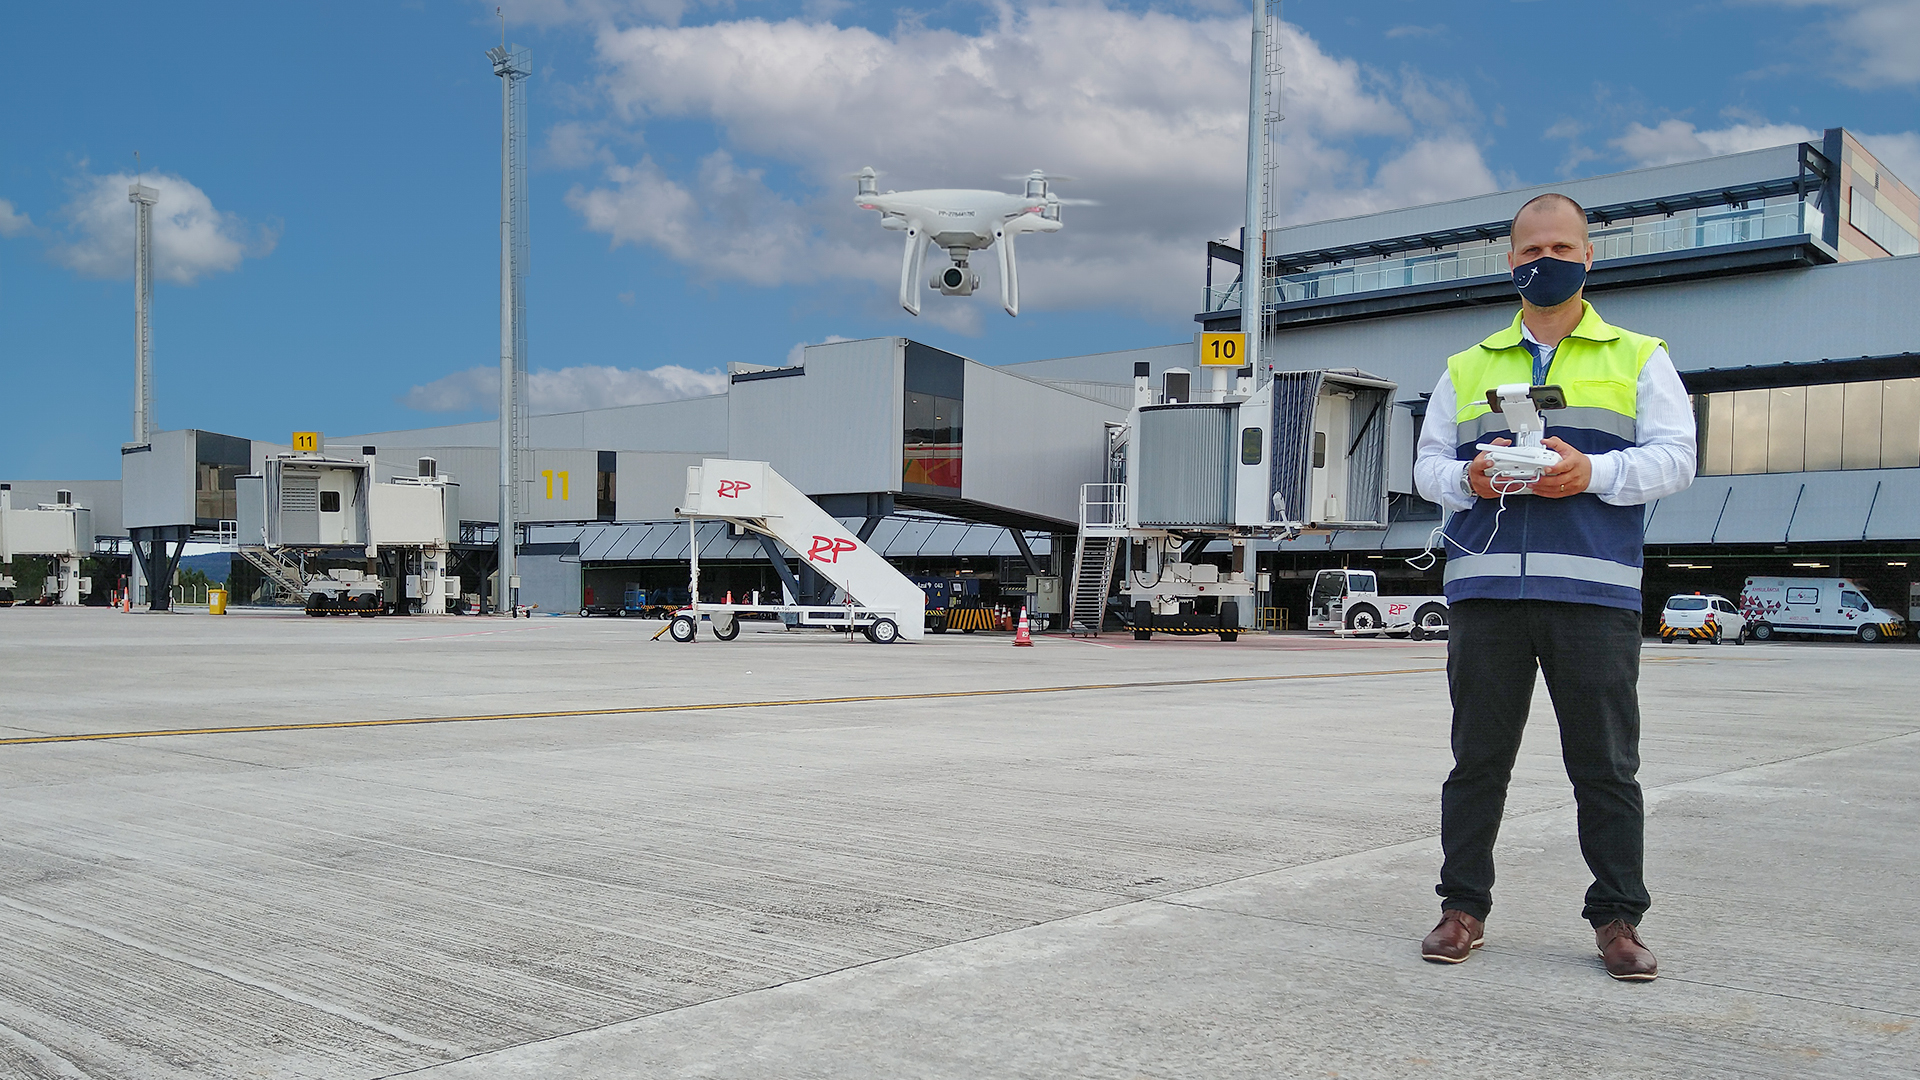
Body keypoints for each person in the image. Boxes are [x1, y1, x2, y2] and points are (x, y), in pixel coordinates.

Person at [1411, 192, 1697, 981]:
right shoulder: (1467, 366)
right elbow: (1426, 468)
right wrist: (1468, 476)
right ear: (1511, 261)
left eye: (1564, 249)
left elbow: (1678, 458)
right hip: (1487, 596)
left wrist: (1593, 471)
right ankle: (1461, 907)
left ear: (1588, 258)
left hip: (1593, 598)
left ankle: (1617, 919)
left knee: (1605, 766)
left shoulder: (1638, 355)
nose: (1548, 261)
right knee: (1477, 762)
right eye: (1534, 249)